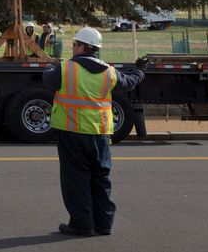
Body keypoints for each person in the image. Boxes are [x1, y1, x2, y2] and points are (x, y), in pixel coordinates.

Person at [43, 26, 147, 237]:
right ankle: (104, 224)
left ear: (81, 47)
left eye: (74, 44)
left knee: (76, 179)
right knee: (101, 178)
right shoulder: (109, 72)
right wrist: (140, 70)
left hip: (71, 132)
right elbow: (130, 82)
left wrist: (49, 67)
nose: (72, 47)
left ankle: (82, 224)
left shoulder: (65, 69)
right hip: (100, 134)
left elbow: (47, 79)